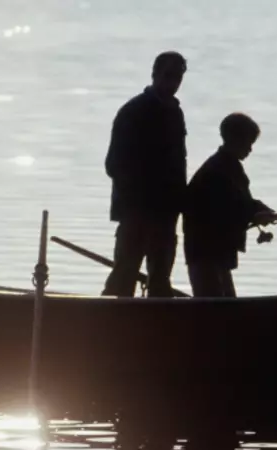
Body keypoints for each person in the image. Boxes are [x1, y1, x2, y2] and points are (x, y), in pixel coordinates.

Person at [101, 51, 188, 298]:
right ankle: (104, 324)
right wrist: (148, 194)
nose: (173, 82)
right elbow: (113, 165)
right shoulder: (133, 112)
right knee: (124, 277)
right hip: (136, 213)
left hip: (166, 215)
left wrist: (179, 199)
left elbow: (178, 163)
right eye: (168, 75)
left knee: (160, 281)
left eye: (178, 77)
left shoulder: (175, 113)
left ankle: (155, 329)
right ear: (155, 74)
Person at [182, 112, 277, 298]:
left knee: (225, 304)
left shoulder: (230, 167)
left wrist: (263, 211)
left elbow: (241, 202)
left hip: (217, 253)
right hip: (205, 252)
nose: (250, 150)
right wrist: (254, 216)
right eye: (248, 144)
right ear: (235, 140)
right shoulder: (215, 171)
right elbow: (223, 211)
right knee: (215, 307)